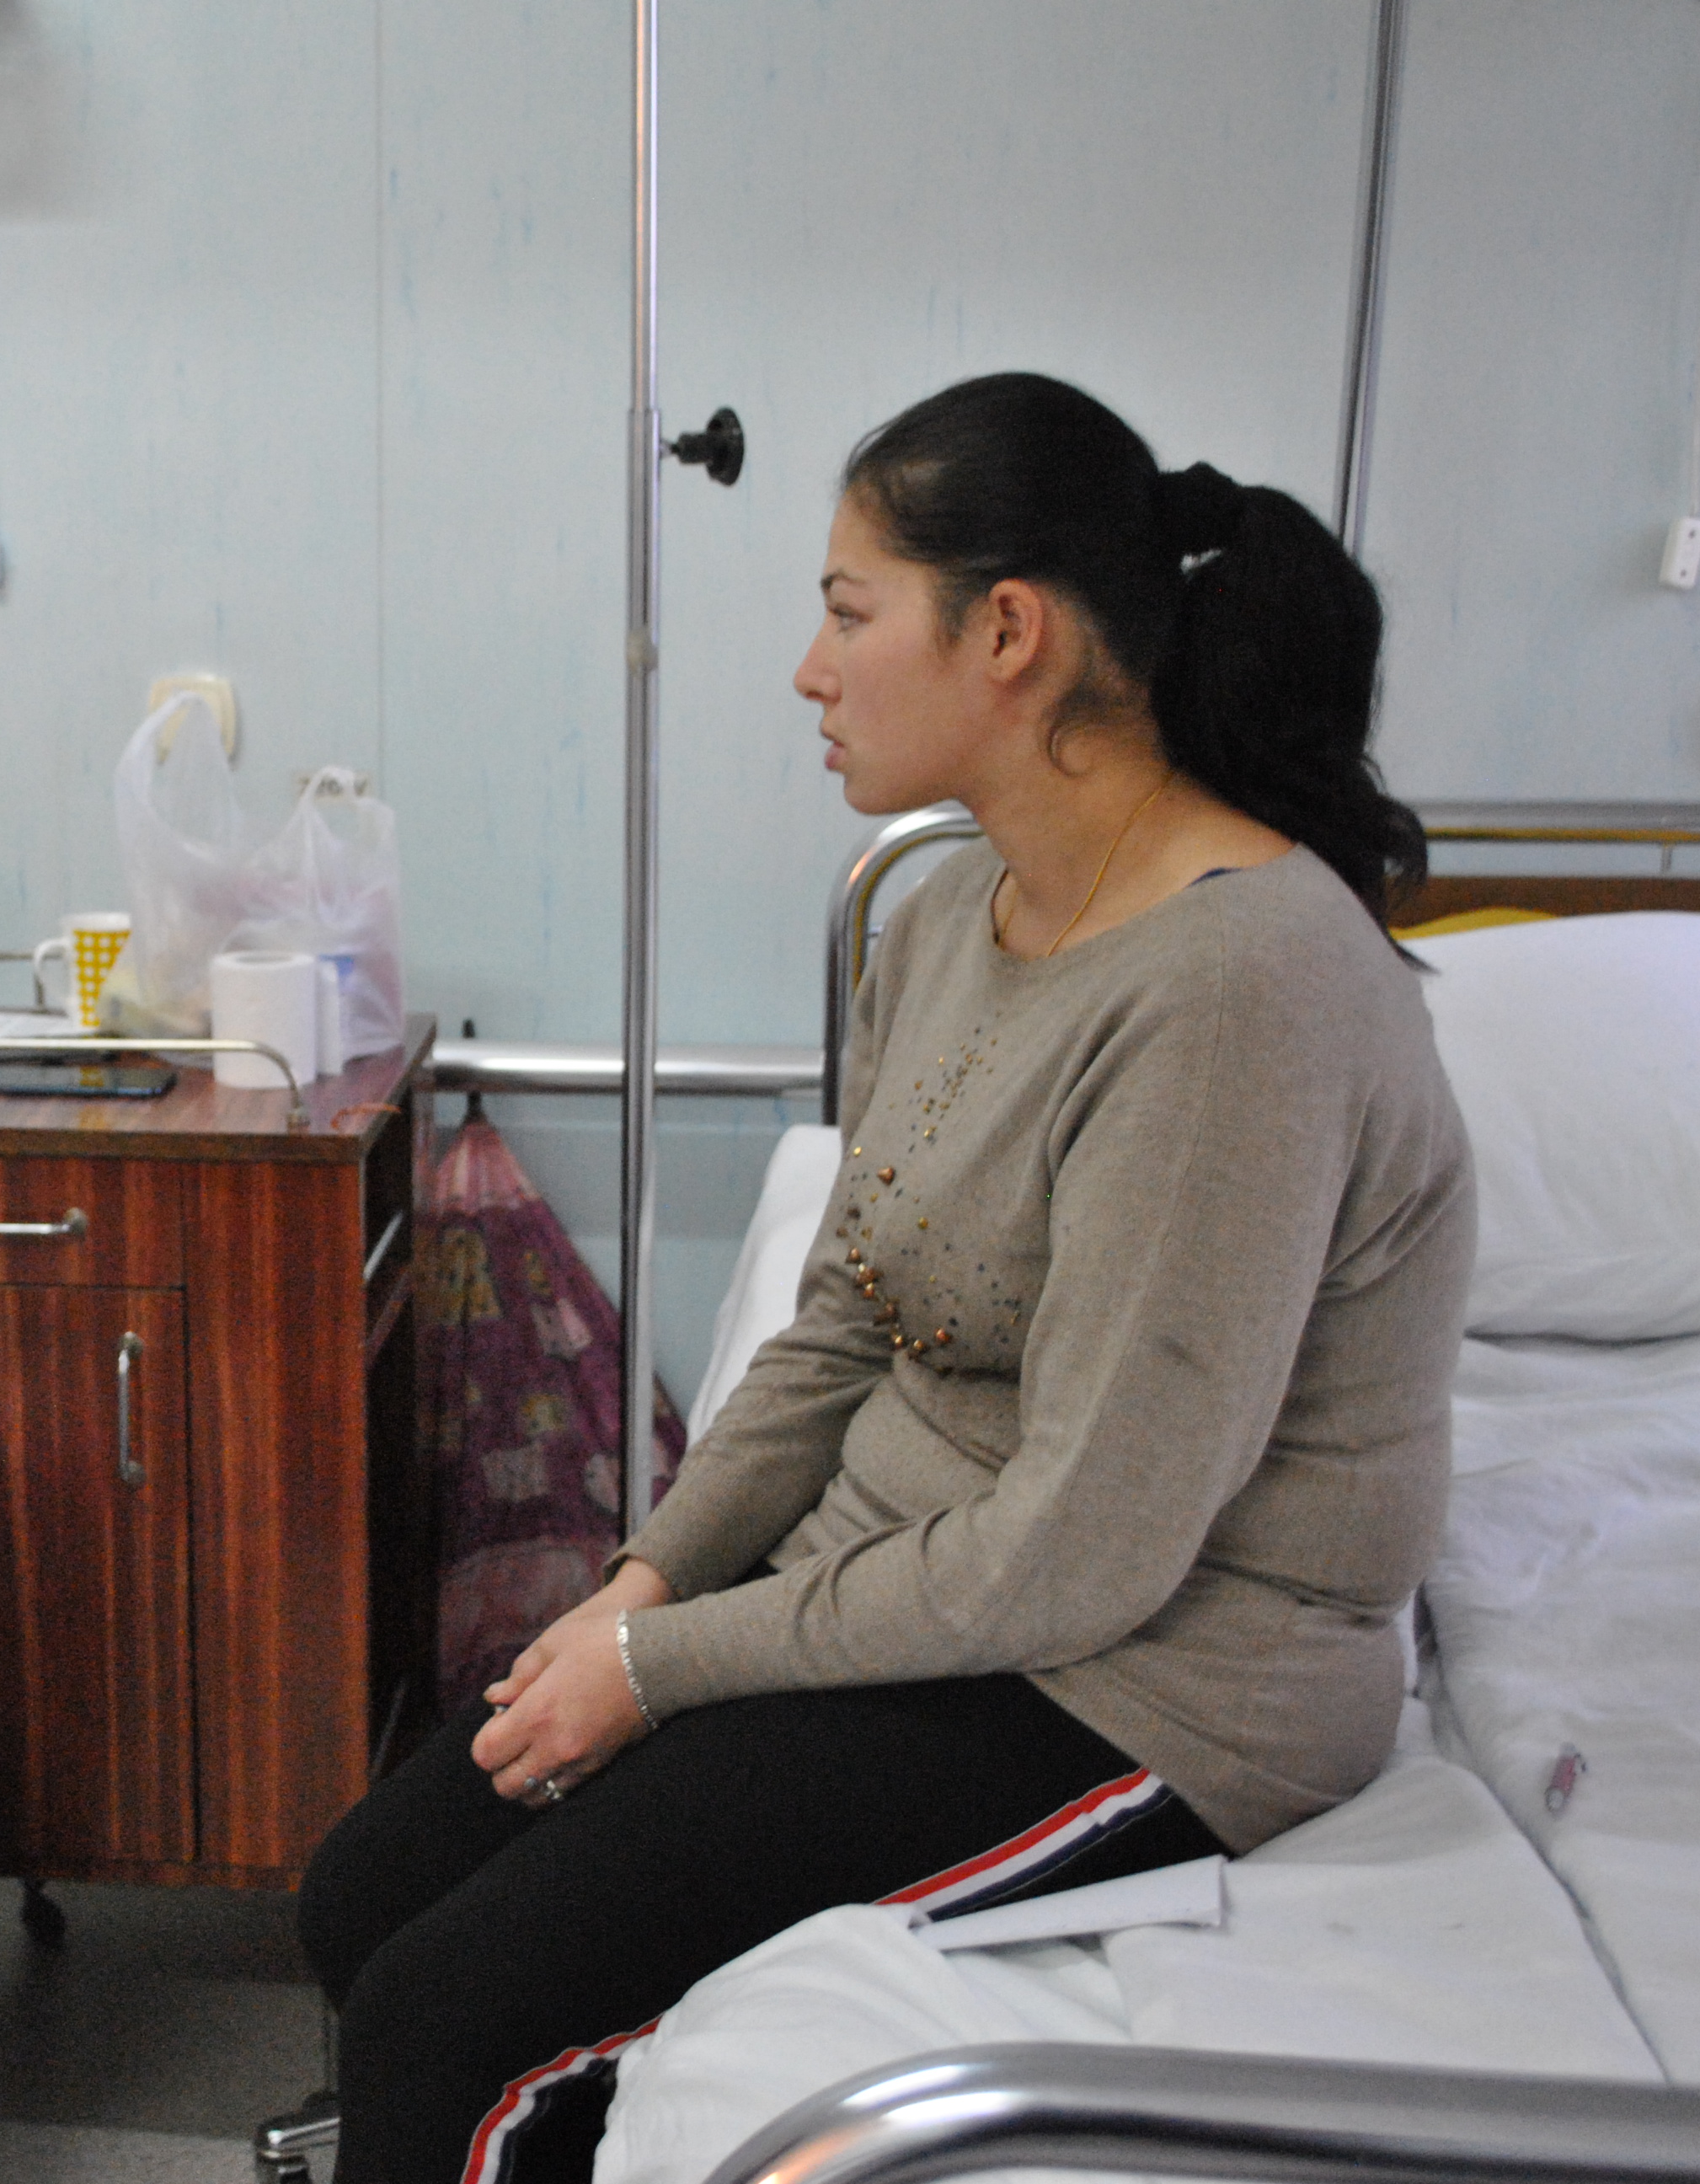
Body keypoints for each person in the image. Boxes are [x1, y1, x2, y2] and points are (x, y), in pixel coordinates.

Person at [297, 373, 1475, 2184]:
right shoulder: (940, 917)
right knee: (364, 1892)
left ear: (1008, 633)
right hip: (923, 1590)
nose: (809, 670)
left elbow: (1088, 1551)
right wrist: (644, 1584)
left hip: (1155, 1682)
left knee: (444, 2022)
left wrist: (664, 1667)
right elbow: (846, 1318)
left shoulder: (1239, 992)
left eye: (849, 613)